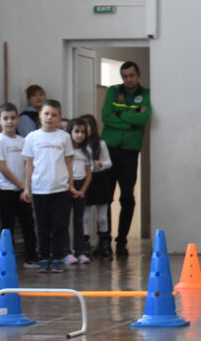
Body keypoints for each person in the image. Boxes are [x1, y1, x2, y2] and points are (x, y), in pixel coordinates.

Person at [101, 61, 151, 258]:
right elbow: (106, 116)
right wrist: (131, 121)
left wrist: (120, 115)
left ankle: (122, 241)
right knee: (105, 197)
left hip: (130, 152)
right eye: (125, 76)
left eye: (132, 75)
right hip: (109, 150)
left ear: (138, 74)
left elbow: (143, 119)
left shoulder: (146, 94)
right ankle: (104, 240)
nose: (128, 80)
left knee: (127, 198)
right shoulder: (113, 91)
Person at [22, 99, 75, 273]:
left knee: (59, 225)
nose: (49, 117)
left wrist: (71, 184)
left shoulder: (64, 137)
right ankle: (44, 257)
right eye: (46, 114)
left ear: (59, 117)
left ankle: (58, 257)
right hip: (39, 189)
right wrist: (27, 188)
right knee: (43, 227)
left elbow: (69, 163)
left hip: (60, 189)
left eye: (54, 115)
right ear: (40, 115)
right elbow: (29, 164)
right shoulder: (32, 137)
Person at [0, 104, 40, 268]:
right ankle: (7, 259)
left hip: (22, 190)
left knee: (28, 224)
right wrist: (20, 184)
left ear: (18, 120)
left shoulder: (23, 141)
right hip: (6, 190)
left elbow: (28, 164)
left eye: (12, 118)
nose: (9, 122)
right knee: (7, 225)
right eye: (5, 118)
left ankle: (32, 256)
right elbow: (2, 167)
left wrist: (26, 186)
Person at [76, 114, 114, 260]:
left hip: (100, 180)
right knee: (84, 215)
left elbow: (109, 163)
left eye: (88, 126)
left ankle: (104, 245)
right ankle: (84, 245)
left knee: (102, 216)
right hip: (85, 180)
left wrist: (101, 164)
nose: (86, 130)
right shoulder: (78, 145)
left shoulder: (100, 144)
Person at [65, 119, 93, 265]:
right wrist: (70, 186)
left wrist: (82, 190)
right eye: (76, 131)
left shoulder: (86, 151)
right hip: (67, 185)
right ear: (70, 132)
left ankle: (80, 251)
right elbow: (66, 168)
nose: (80, 135)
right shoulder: (66, 150)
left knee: (79, 220)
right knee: (65, 220)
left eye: (83, 132)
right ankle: (66, 251)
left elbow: (88, 174)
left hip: (81, 187)